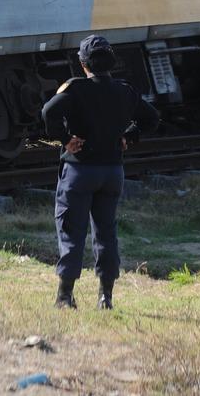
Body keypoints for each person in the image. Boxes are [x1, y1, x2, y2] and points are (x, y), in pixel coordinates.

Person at [40, 35, 160, 310]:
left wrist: (65, 138)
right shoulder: (125, 91)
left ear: (82, 64)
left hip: (79, 172)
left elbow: (48, 113)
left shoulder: (75, 89)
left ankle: (65, 296)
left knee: (72, 232)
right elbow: (151, 118)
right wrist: (130, 136)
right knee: (106, 234)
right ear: (112, 63)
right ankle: (105, 297)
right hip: (112, 173)